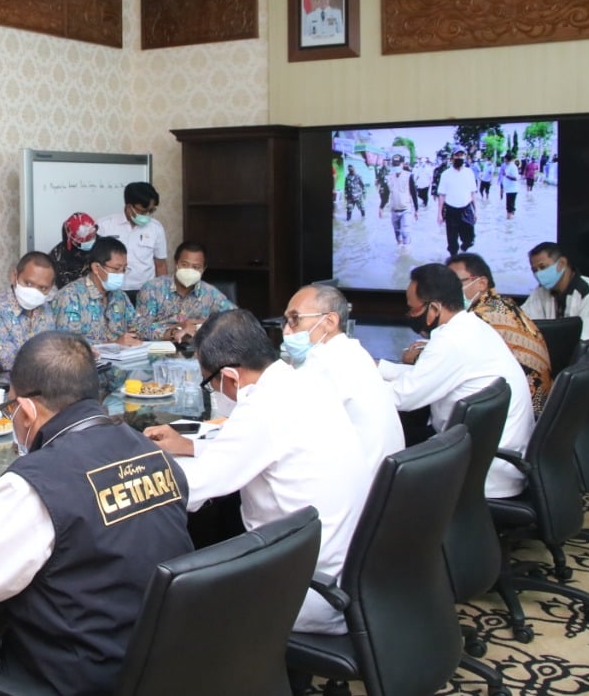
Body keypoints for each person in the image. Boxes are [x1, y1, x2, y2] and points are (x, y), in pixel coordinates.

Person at [0, 331, 192, 694]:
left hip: (79, 680)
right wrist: (10, 493)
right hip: (163, 668)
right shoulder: (152, 452)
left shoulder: (33, 488)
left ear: (27, 410)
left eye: (10, 409)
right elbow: (98, 494)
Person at [143, 310, 372, 634]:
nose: (214, 392)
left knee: (171, 600)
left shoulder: (263, 407)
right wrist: (190, 446)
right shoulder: (303, 381)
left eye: (209, 383)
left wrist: (131, 470)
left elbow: (190, 489)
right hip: (339, 573)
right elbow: (258, 450)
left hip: (304, 589)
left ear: (230, 377)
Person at [377, 264, 534, 497]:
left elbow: (402, 397)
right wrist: (378, 367)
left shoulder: (451, 341)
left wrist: (352, 383)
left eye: (413, 309)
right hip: (491, 454)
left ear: (434, 308)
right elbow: (426, 376)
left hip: (485, 469)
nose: (410, 315)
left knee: (385, 466)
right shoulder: (472, 327)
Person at [281, 284, 404, 470]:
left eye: (295, 319)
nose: (286, 331)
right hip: (380, 476)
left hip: (359, 478)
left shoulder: (322, 362)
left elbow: (286, 425)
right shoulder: (353, 352)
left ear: (330, 321)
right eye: (286, 321)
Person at [446, 253, 552, 415]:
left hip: (523, 410)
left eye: (455, 283)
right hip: (539, 407)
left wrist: (418, 355)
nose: (448, 291)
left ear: (482, 283)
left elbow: (451, 358)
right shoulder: (504, 304)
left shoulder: (482, 316)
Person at [523, 241, 589, 389]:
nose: (538, 274)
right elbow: (523, 320)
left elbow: (587, 346)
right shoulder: (541, 291)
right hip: (562, 369)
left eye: (543, 267)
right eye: (534, 270)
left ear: (562, 263)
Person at [134, 241, 235, 342]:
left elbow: (235, 319)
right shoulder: (152, 289)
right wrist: (176, 329)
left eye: (196, 267)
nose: (189, 270)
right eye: (184, 264)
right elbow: (140, 328)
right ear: (176, 263)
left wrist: (205, 323)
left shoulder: (210, 293)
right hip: (160, 347)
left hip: (197, 348)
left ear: (203, 269)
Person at [0, 252, 57, 371]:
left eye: (43, 288)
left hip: (44, 378)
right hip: (2, 380)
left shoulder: (46, 309)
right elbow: (7, 361)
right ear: (14, 276)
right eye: (28, 283)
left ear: (51, 288)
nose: (34, 292)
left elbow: (55, 349)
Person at [53, 236, 141, 346]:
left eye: (124, 269)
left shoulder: (120, 296)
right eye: (116, 269)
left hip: (123, 356)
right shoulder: (70, 296)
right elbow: (67, 342)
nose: (121, 274)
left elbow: (137, 325)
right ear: (96, 268)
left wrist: (162, 332)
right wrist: (114, 344)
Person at [96, 181, 168, 293]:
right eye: (143, 211)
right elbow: (95, 265)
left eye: (151, 211)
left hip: (146, 290)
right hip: (113, 289)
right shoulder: (104, 226)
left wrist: (162, 292)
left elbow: (161, 265)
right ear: (129, 206)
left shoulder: (156, 228)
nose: (147, 215)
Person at [437, 148, 478, 257]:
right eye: (457, 155)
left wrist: (476, 211)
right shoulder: (445, 174)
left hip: (466, 209)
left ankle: (463, 250)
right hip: (451, 211)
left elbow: (473, 193)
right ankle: (454, 260)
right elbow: (442, 195)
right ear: (452, 158)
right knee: (452, 243)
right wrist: (439, 213)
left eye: (461, 155)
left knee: (470, 239)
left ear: (465, 157)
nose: (459, 157)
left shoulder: (469, 173)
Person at [47, 211, 98, 289]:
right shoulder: (57, 258)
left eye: (93, 236)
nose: (92, 240)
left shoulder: (103, 246)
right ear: (73, 241)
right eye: (86, 240)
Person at [383, 153, 419, 251]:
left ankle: (406, 251)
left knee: (405, 232)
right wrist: (381, 207)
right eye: (394, 164)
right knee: (397, 233)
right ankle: (399, 248)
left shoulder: (409, 176)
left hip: (406, 209)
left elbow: (414, 193)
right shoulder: (389, 177)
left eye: (398, 164)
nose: (396, 166)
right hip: (394, 210)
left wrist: (416, 209)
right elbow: (385, 193)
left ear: (402, 164)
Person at [498, 151, 520, 218]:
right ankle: (511, 220)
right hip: (509, 190)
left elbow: (516, 178)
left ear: (507, 159)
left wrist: (506, 175)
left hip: (512, 190)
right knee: (511, 207)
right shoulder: (508, 166)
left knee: (509, 208)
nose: (504, 160)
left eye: (504, 158)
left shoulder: (513, 167)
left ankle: (509, 220)